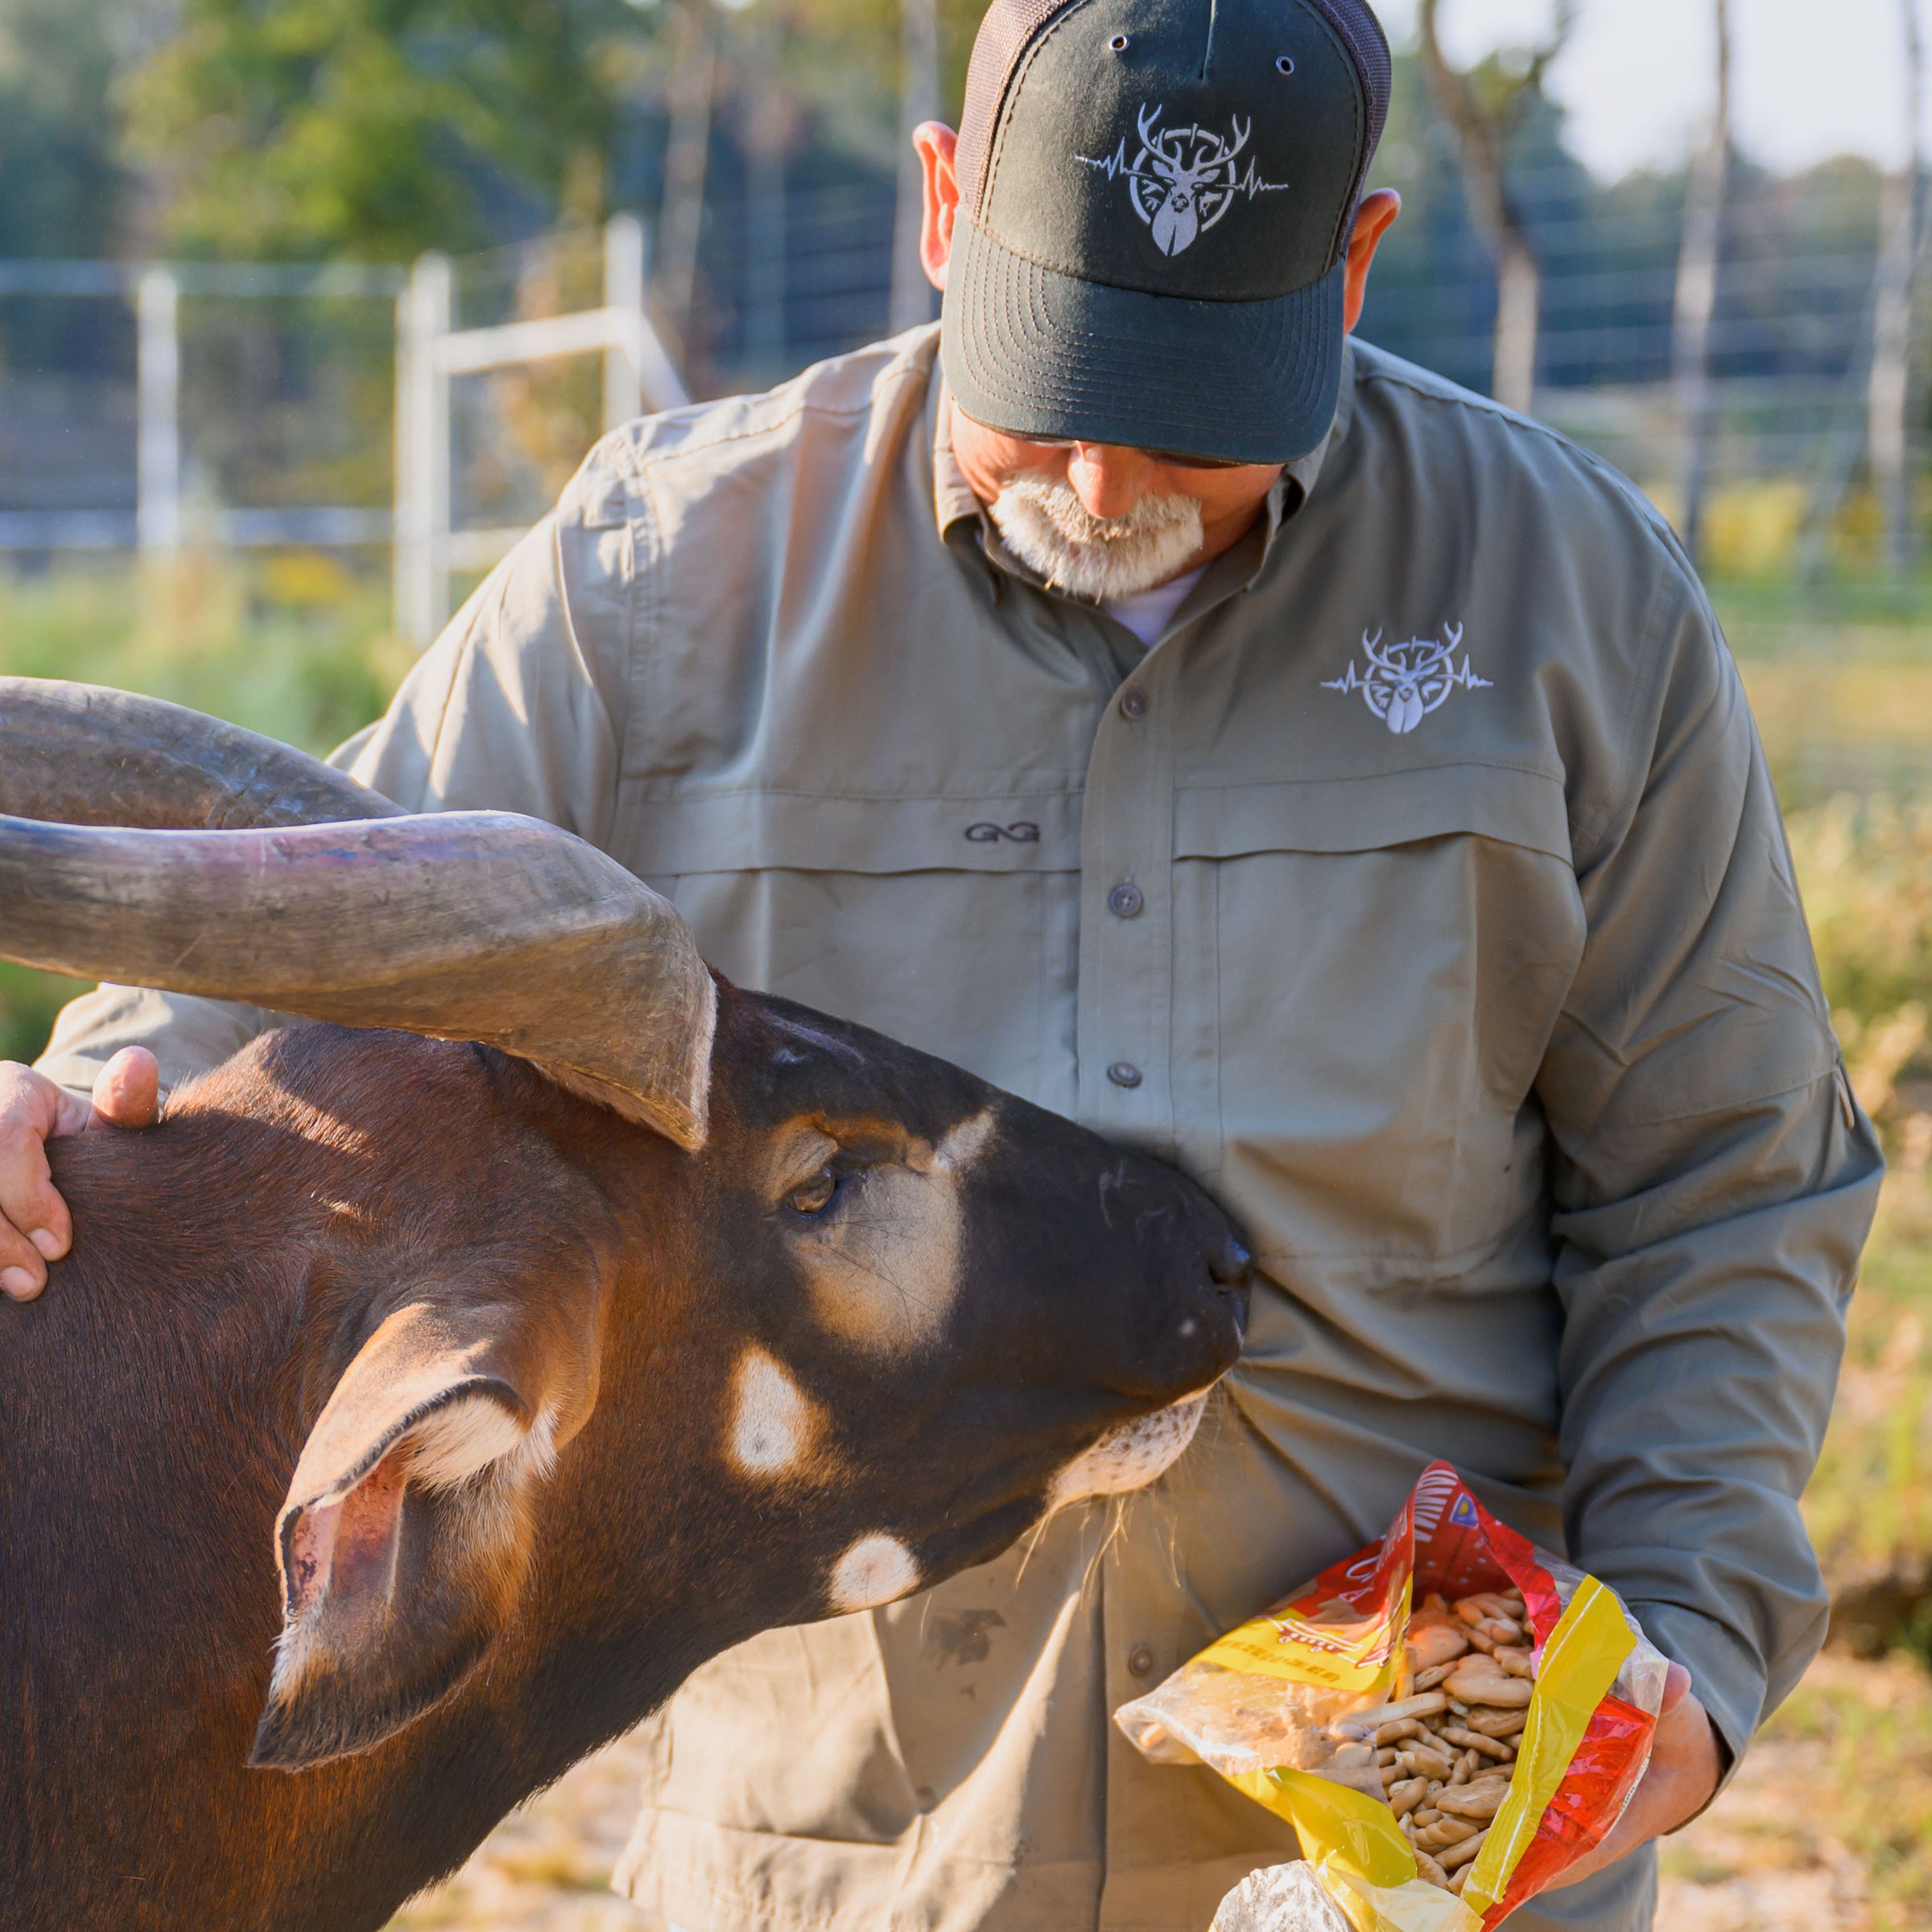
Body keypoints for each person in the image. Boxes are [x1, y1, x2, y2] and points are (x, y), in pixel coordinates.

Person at [0, 1, 1882, 1926]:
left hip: (1422, 1856)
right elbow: (295, 934)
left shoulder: (1575, 602)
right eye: (1052, 362)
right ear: (940, 204)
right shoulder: (657, 578)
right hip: (845, 1868)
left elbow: (1724, 1175)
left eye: (1189, 391)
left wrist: (1691, 1651)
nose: (1096, 463)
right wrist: (55, 1127)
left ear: (1357, 261)